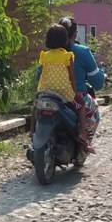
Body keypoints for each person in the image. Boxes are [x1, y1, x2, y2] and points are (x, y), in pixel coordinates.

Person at [35, 23, 90, 151]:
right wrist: (75, 92)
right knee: (81, 105)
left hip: (45, 91)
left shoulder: (45, 55)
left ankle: (32, 131)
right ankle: (82, 133)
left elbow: (41, 73)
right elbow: (72, 77)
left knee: (35, 107)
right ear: (65, 40)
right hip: (63, 93)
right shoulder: (67, 55)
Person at [58, 16, 104, 147]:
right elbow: (97, 83)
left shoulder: (48, 53)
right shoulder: (82, 52)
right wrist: (101, 75)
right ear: (75, 34)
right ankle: (83, 142)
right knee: (93, 110)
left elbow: (39, 75)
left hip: (50, 95)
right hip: (75, 96)